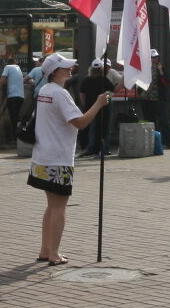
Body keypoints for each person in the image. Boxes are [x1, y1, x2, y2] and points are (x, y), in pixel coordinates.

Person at [27, 54, 111, 265]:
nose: (70, 69)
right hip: (58, 158)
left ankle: (45, 250)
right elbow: (80, 122)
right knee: (58, 207)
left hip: (42, 157)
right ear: (54, 71)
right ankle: (54, 253)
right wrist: (98, 104)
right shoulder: (59, 93)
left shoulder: (44, 91)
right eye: (65, 67)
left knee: (51, 205)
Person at [150, 51, 170, 149]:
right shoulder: (145, 70)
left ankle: (169, 142)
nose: (154, 59)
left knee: (164, 121)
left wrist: (161, 71)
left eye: (156, 57)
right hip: (148, 100)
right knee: (151, 122)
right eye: (152, 57)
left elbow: (166, 83)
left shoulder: (162, 69)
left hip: (160, 99)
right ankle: (152, 143)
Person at [1, 56, 26, 139]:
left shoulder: (7, 67)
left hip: (12, 96)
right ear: (15, 62)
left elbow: (2, 81)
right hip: (21, 96)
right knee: (17, 116)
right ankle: (19, 134)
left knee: (13, 117)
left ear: (7, 63)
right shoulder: (18, 68)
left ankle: (17, 137)